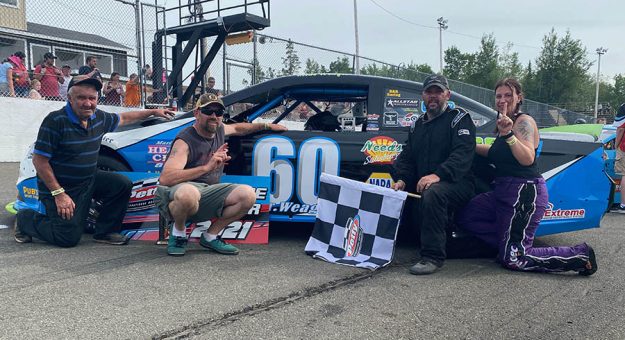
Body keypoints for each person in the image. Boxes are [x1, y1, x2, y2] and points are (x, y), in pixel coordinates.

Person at [14, 75, 176, 247]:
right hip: (62, 187)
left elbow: (125, 118)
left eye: (92, 98)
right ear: (69, 98)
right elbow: (39, 161)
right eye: (81, 98)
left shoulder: (98, 117)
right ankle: (24, 220)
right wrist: (59, 194)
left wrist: (152, 112)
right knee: (66, 238)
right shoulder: (55, 121)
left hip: (88, 179)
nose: (87, 103)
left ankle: (105, 232)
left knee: (121, 184)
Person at [456, 78, 597, 275]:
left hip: (524, 192)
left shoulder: (524, 122)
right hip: (502, 190)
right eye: (499, 96)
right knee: (468, 215)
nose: (502, 100)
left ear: (519, 97)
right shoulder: (504, 123)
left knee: (515, 260)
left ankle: (579, 256)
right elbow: (495, 152)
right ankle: (508, 246)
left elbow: (527, 157)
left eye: (508, 95)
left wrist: (508, 135)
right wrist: (467, 144)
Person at [156, 93, 288, 256]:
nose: (214, 116)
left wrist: (267, 126)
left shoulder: (219, 129)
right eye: (208, 110)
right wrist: (206, 168)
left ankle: (210, 236)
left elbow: (239, 128)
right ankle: (178, 233)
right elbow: (166, 178)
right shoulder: (184, 140)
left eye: (218, 112)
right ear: (197, 113)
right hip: (181, 193)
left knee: (248, 195)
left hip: (208, 192)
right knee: (188, 194)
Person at [391, 74, 476, 275]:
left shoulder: (459, 119)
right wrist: (402, 180)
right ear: (423, 95)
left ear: (448, 94)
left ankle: (432, 257)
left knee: (433, 192)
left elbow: (463, 155)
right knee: (401, 192)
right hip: (429, 185)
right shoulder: (417, 125)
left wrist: (437, 175)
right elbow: (407, 158)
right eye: (429, 92)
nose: (433, 96)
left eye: (438, 92)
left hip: (459, 183)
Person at [613, 103, 625, 213]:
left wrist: (616, 145)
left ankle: (623, 205)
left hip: (624, 147)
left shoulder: (623, 107)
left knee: (624, 176)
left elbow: (620, 129)